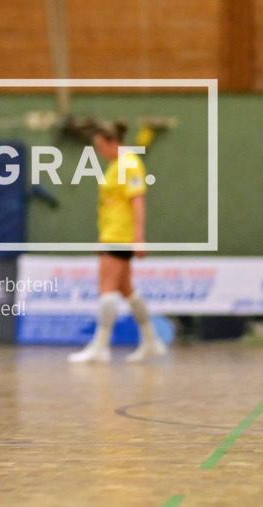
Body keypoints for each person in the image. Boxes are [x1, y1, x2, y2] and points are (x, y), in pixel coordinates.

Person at [68, 121, 166, 364]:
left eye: (101, 146)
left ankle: (100, 346)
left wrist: (139, 237)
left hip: (120, 236)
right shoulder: (115, 165)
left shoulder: (130, 164)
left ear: (113, 142)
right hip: (111, 234)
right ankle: (151, 341)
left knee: (107, 287)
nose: (99, 152)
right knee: (126, 288)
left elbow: (137, 200)